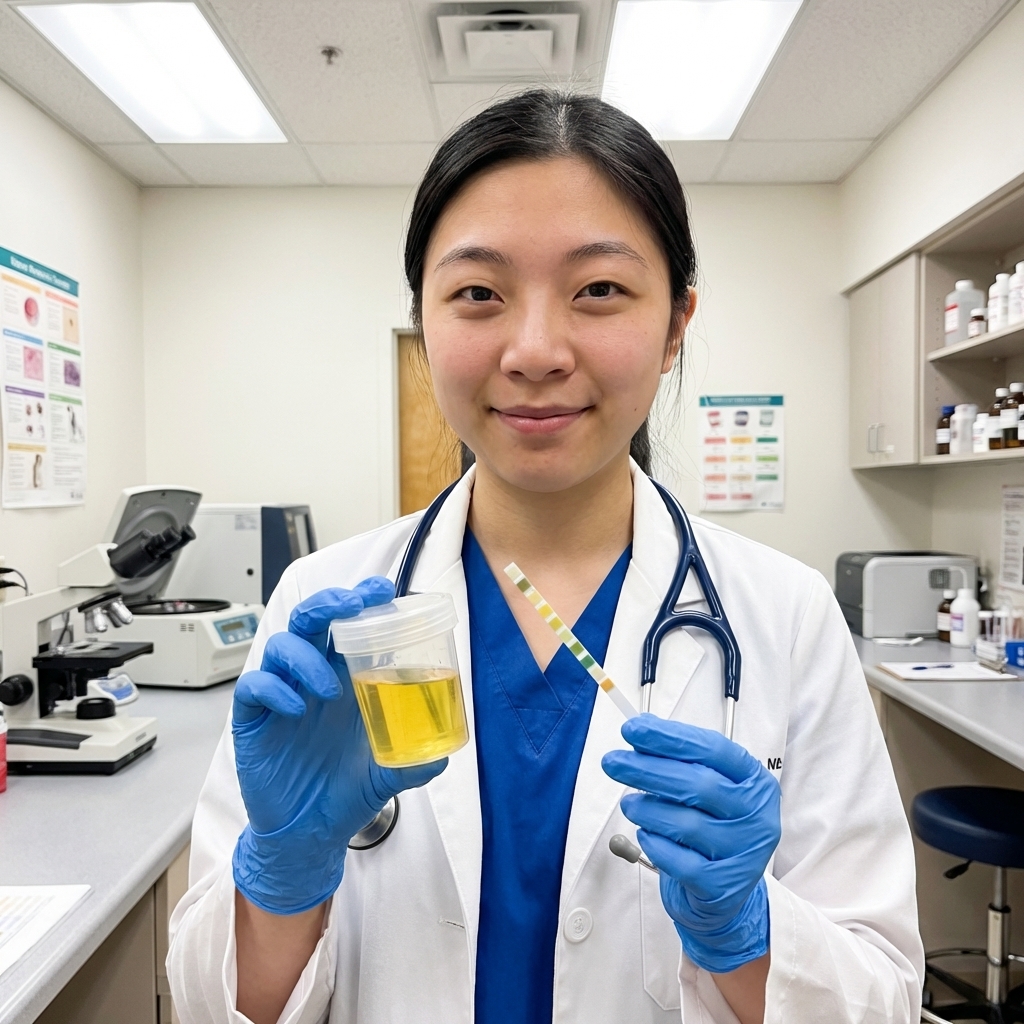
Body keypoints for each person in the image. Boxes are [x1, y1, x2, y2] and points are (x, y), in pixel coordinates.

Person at [168, 91, 924, 1024]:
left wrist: (749, 928)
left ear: (677, 323)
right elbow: (213, 1008)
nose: (533, 351)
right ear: (424, 322)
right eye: (479, 293)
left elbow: (883, 998)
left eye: (599, 290)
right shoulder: (322, 607)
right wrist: (284, 871)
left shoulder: (787, 614)